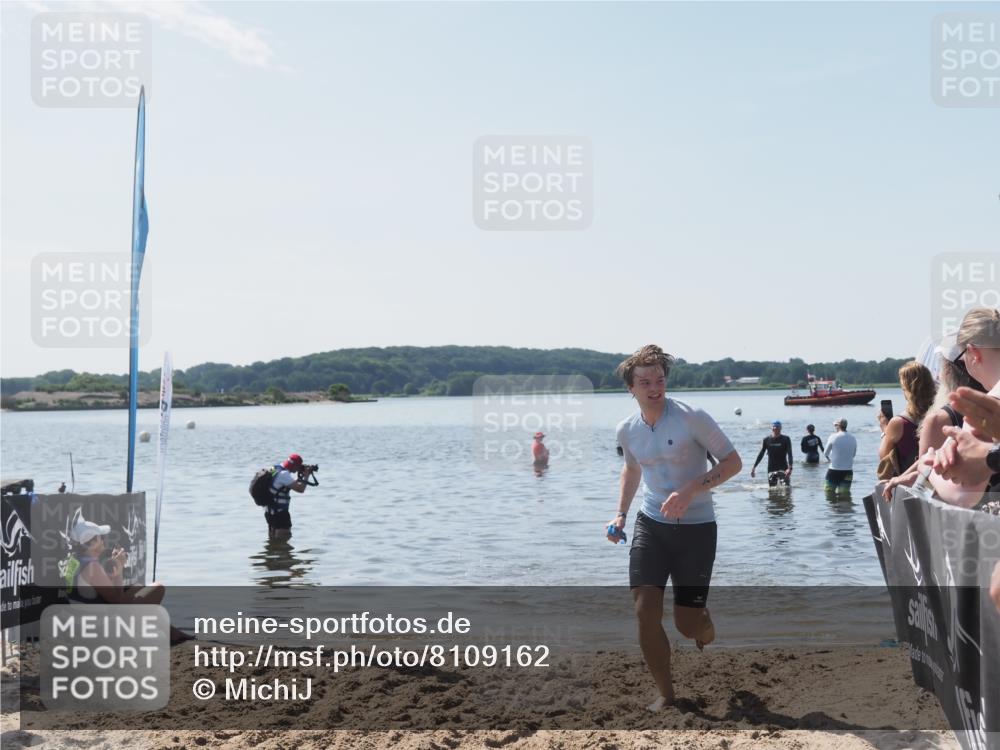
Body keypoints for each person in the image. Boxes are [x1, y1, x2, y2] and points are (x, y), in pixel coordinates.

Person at [606, 345, 742, 712]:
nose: (654, 388)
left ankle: (703, 623)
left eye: (660, 380)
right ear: (630, 388)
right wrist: (620, 514)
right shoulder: (627, 429)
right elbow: (632, 469)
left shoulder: (691, 417)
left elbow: (733, 463)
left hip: (697, 528)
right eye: (645, 382)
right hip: (651, 524)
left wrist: (690, 490)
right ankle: (666, 694)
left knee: (687, 625)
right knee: (644, 610)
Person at [915, 307, 1000, 509]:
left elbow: (964, 495)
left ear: (973, 353)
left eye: (962, 358)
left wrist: (927, 464)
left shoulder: (986, 408)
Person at [62, 510, 192, 643]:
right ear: (93, 542)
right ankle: (144, 633)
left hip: (79, 619)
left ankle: (173, 633)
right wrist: (119, 568)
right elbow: (118, 602)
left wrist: (114, 571)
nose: (103, 541)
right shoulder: (92, 567)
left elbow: (92, 591)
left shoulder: (74, 560)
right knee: (158, 588)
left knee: (137, 588)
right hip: (96, 626)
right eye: (100, 537)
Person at [877, 362, 935, 480]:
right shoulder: (941, 415)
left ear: (907, 389)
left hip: (909, 483)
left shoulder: (899, 422)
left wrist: (885, 430)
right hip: (936, 482)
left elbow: (883, 456)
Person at [265, 453, 317, 539]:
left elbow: (281, 485)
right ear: (294, 466)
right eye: (298, 467)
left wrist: (300, 478)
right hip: (280, 514)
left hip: (270, 512)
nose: (298, 469)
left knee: (273, 540)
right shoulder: (284, 474)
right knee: (284, 540)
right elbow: (300, 489)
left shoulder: (275, 468)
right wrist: (307, 475)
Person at [751, 421, 793, 486]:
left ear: (780, 428)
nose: (775, 428)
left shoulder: (786, 439)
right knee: (772, 489)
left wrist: (790, 468)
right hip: (771, 468)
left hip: (783, 468)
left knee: (786, 488)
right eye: (774, 427)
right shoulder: (766, 440)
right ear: (772, 428)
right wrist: (754, 467)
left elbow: (790, 454)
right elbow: (761, 454)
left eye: (777, 427)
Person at [824, 418, 857, 494]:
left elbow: (825, 453)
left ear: (838, 426)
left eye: (835, 425)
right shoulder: (853, 438)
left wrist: (832, 457)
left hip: (834, 470)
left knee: (829, 494)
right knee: (844, 495)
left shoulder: (833, 436)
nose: (835, 427)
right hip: (848, 471)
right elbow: (853, 455)